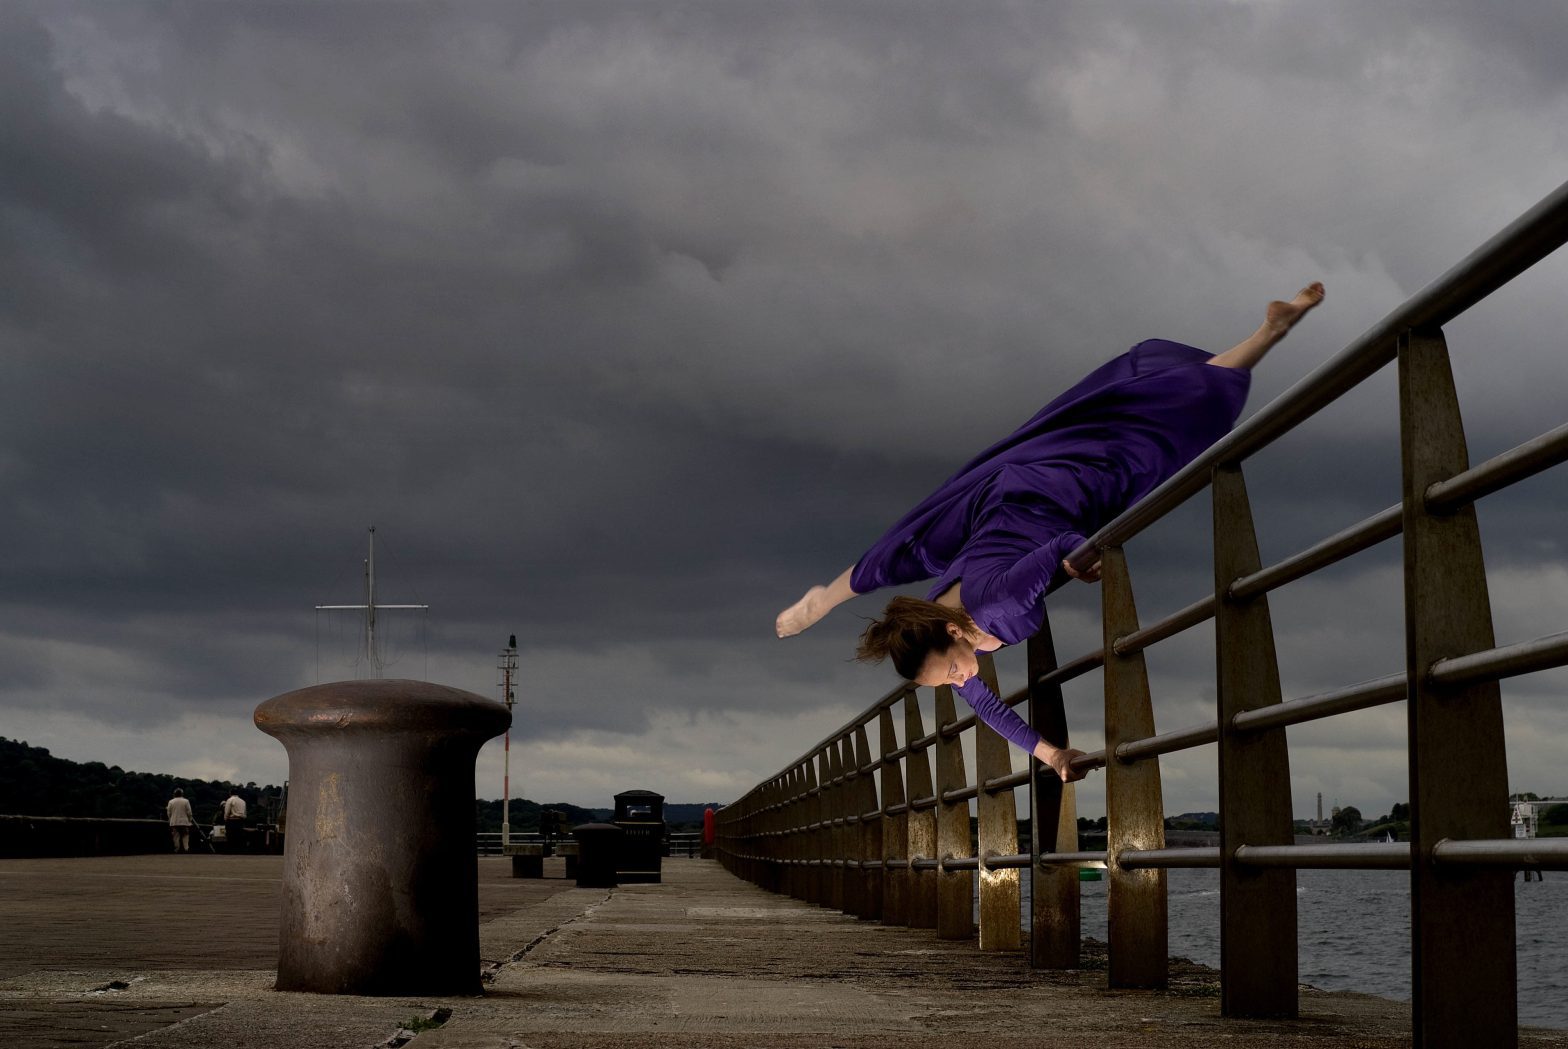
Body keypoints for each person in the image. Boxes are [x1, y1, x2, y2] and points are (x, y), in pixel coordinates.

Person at [776, 284, 1326, 783]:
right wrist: (1052, 755)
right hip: (1007, 494)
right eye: (945, 683)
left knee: (1168, 435)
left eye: (948, 675)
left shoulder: (995, 606)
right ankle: (826, 597)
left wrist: (1079, 563)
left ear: (951, 637)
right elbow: (989, 709)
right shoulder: (944, 614)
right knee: (1141, 413)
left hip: (1063, 491)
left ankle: (1268, 333)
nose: (957, 683)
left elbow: (1055, 552)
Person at [166, 788, 194, 853]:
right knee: (185, 835)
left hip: (174, 821)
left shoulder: (171, 801)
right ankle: (186, 848)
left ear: (174, 794)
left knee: (175, 836)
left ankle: (177, 849)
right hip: (184, 821)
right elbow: (189, 812)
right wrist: (190, 819)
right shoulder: (186, 801)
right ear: (182, 794)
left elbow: (168, 812)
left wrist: (170, 819)